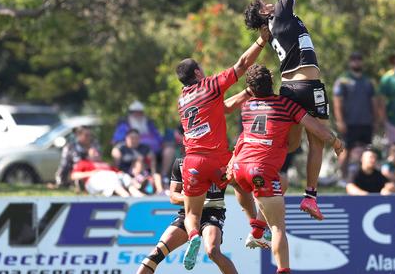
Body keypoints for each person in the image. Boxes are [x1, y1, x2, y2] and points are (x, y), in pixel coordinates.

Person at [243, 0, 331, 220]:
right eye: (263, 5)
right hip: (308, 85)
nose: (269, 2)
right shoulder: (279, 14)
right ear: (265, 13)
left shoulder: (273, 26)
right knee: (317, 142)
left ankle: (269, 182)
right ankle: (310, 197)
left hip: (289, 89)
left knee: (289, 144)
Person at [232, 64, 345, 274]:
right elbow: (317, 129)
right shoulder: (286, 105)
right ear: (272, 83)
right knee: (278, 228)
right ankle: (283, 269)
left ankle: (257, 229)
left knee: (282, 181)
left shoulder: (246, 106)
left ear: (250, 88)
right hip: (261, 170)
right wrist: (335, 142)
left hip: (240, 166)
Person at [175, 26, 269, 271]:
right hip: (219, 159)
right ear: (197, 71)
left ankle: (194, 236)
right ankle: (257, 228)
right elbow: (242, 64)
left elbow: (223, 108)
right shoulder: (209, 85)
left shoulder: (183, 100)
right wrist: (261, 40)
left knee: (192, 214)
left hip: (193, 161)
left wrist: (246, 93)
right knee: (241, 185)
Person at [136, 158, 236, 274]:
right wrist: (193, 198)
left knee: (213, 251)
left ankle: (194, 237)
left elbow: (237, 182)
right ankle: (194, 237)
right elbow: (173, 196)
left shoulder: (221, 160)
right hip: (188, 212)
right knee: (157, 253)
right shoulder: (180, 163)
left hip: (212, 212)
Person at [333, 51, 380, 180]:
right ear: (350, 62)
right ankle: (342, 178)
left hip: (366, 122)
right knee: (346, 150)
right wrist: (340, 121)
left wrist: (375, 120)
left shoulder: (368, 81)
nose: (356, 61)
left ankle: (363, 179)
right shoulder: (343, 80)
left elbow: (374, 102)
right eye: (353, 59)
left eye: (359, 59)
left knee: (367, 151)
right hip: (350, 122)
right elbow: (337, 102)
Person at [112, 101, 169, 173]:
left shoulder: (149, 124)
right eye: (136, 112)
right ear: (131, 113)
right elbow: (117, 140)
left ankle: (163, 175)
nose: (138, 114)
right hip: (133, 151)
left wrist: (163, 143)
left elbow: (158, 137)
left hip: (151, 151)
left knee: (168, 150)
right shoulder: (124, 125)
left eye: (140, 112)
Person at [70, 147, 142, 197]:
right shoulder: (84, 163)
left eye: (97, 152)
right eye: (94, 152)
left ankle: (140, 197)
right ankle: (126, 197)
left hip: (113, 179)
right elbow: (73, 176)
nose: (97, 154)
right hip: (94, 181)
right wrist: (91, 173)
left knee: (125, 177)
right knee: (112, 178)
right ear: (88, 156)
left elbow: (118, 173)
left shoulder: (105, 164)